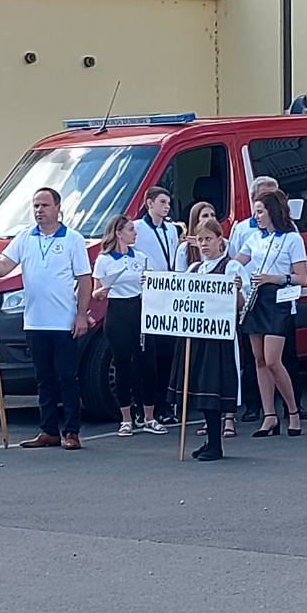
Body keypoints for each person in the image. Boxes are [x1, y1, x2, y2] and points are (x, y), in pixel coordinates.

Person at [0, 187, 92, 450]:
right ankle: (48, 429)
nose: (39, 211)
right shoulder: (25, 237)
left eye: (44, 205)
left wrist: (81, 314)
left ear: (57, 207)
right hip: (35, 321)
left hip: (63, 321)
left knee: (66, 377)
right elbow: (4, 267)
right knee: (44, 378)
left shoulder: (73, 239)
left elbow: (85, 280)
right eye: (36, 206)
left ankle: (72, 431)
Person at [170, 218, 248, 462]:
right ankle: (210, 440)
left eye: (208, 239)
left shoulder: (231, 268)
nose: (204, 244)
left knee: (212, 387)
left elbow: (241, 306)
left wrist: (235, 290)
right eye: (200, 239)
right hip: (196, 336)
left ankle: (216, 444)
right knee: (200, 388)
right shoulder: (194, 270)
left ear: (219, 240)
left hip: (219, 338)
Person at [237, 190, 307, 437]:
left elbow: (302, 278)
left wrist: (275, 278)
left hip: (278, 298)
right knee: (258, 359)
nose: (256, 216)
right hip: (257, 299)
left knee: (273, 359)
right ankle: (269, 415)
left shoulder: (292, 239)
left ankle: (292, 410)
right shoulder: (254, 238)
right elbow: (237, 262)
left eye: (260, 211)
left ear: (272, 212)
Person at [91, 215, 163, 437]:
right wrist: (100, 293)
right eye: (131, 230)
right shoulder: (104, 260)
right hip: (117, 311)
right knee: (122, 364)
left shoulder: (140, 257)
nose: (135, 233)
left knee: (147, 363)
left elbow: (150, 284)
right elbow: (96, 291)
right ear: (118, 232)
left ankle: (149, 416)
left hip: (139, 308)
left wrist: (148, 284)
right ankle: (126, 418)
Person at [133, 187, 180, 425]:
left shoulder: (171, 229)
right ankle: (144, 404)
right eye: (162, 201)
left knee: (166, 353)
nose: (166, 206)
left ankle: (164, 403)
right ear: (149, 203)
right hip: (149, 293)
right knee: (147, 354)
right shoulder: (138, 229)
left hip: (168, 293)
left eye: (168, 202)